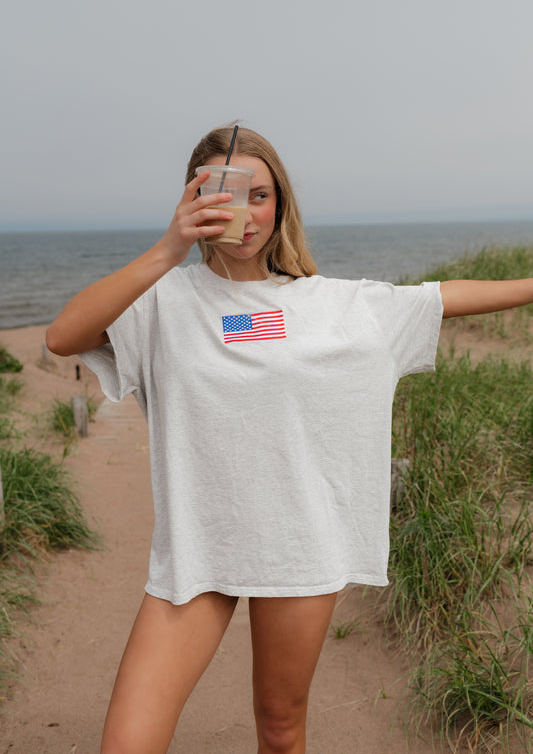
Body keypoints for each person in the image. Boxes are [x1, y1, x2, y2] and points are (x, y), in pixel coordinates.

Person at [46, 124, 533, 754]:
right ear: (195, 199)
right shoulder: (162, 300)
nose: (246, 215)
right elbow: (63, 337)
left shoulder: (334, 304)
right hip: (199, 550)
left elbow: (439, 297)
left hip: (298, 543)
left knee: (279, 728)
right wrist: (169, 248)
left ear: (280, 204)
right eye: (226, 195)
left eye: (261, 196)